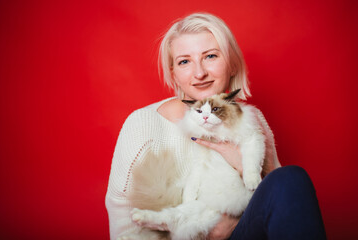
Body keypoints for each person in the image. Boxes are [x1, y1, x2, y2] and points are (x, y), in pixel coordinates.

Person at [105, 13, 326, 240]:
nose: (199, 73)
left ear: (231, 64)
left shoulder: (252, 119)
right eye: (184, 61)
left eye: (210, 56)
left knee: (289, 179)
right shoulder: (143, 123)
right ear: (174, 74)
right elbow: (123, 222)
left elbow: (279, 206)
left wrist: (246, 168)